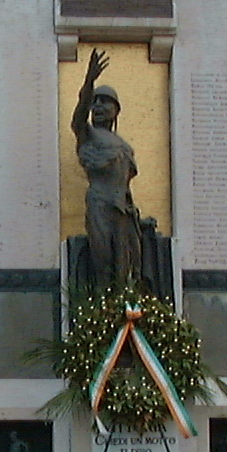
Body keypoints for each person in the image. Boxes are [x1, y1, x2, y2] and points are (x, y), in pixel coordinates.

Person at [72, 49, 142, 289]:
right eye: (95, 102)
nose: (98, 106)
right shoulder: (88, 134)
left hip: (123, 210)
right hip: (100, 203)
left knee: (127, 267)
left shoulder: (125, 146)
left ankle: (124, 315)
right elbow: (79, 116)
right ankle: (101, 315)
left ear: (116, 110)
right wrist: (89, 81)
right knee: (102, 262)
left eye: (105, 102)